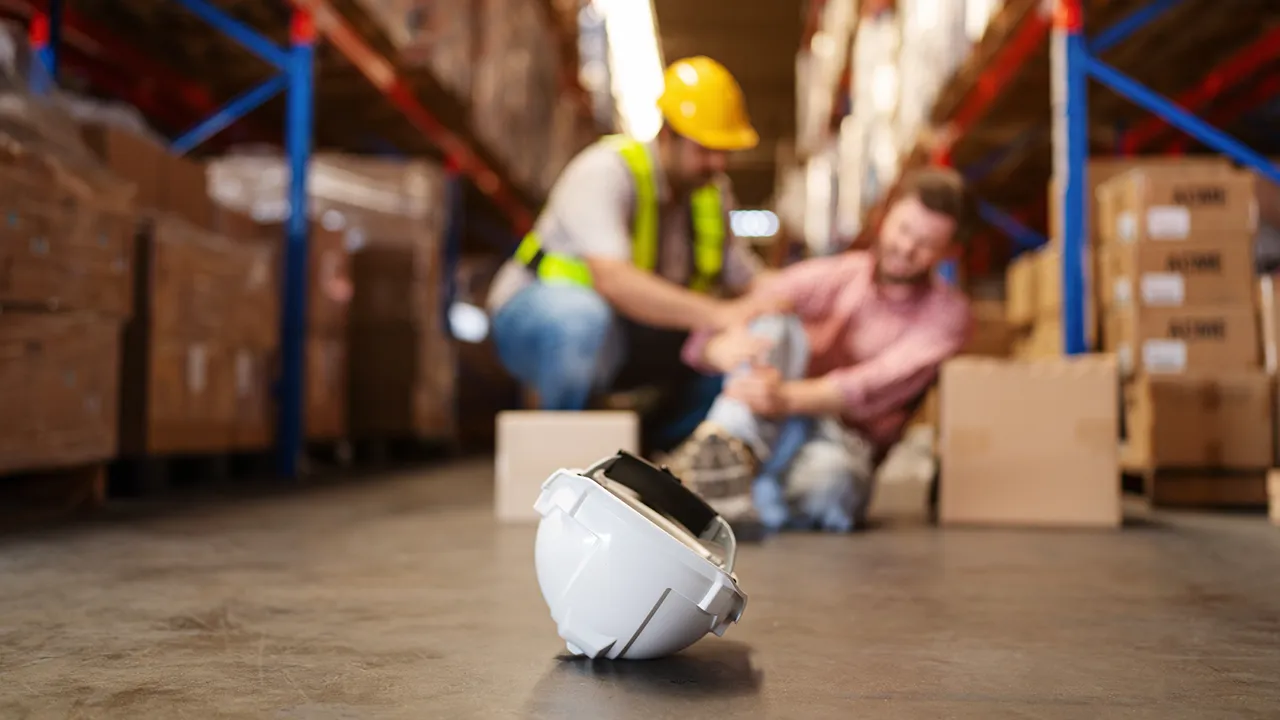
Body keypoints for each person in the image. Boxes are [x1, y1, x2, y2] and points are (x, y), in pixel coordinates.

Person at [486, 56, 781, 446]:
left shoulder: (712, 194)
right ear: (667, 136)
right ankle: (559, 454)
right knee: (583, 319)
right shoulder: (605, 171)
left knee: (738, 354)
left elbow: (748, 279)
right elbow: (615, 282)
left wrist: (799, 298)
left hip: (628, 332)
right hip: (537, 318)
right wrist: (720, 314)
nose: (717, 163)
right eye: (705, 149)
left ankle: (648, 445)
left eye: (724, 150)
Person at [661, 167, 975, 534]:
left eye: (926, 244)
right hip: (769, 423)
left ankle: (726, 486)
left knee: (832, 485)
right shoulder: (839, 274)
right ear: (884, 216)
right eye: (904, 229)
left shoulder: (948, 316)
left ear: (949, 252)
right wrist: (714, 347)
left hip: (842, 441)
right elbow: (747, 305)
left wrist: (784, 397)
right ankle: (731, 442)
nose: (906, 248)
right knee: (774, 319)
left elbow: (871, 385)